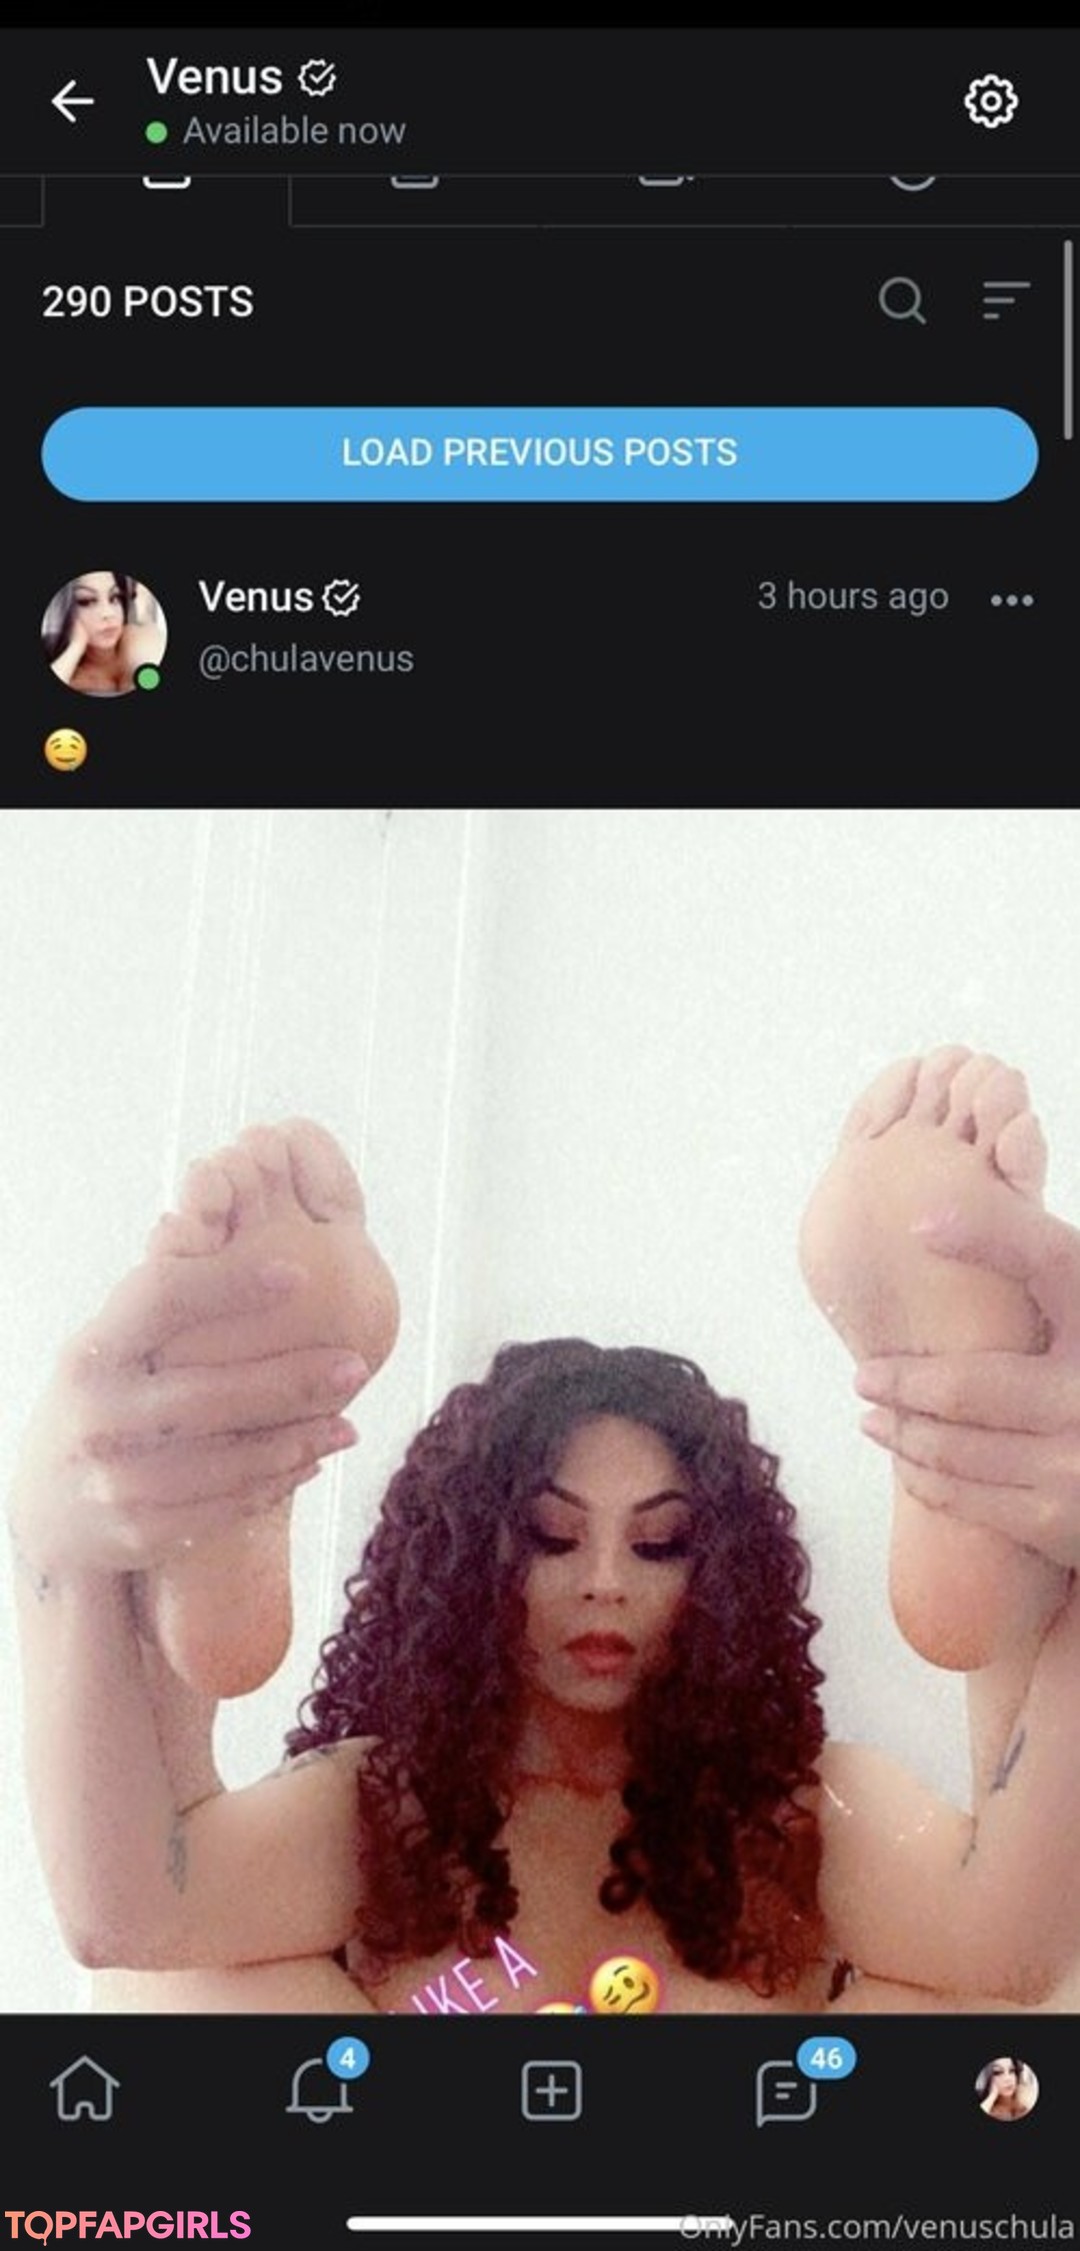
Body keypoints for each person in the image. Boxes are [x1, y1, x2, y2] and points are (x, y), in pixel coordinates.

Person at [11, 1050, 1080, 2014]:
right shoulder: (388, 1813)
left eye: (659, 1544)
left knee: (1001, 2005)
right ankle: (199, 1503)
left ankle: (988, 1493)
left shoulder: (792, 1814)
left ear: (721, 1576)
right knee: (169, 1986)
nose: (605, 1581)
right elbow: (129, 1914)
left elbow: (1014, 1946)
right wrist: (62, 1553)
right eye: (551, 1537)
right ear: (466, 1562)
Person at [42, 571, 166, 694]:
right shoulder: (56, 657)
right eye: (86, 601)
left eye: (115, 598)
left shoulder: (136, 640)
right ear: (63, 610)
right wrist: (76, 646)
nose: (108, 613)